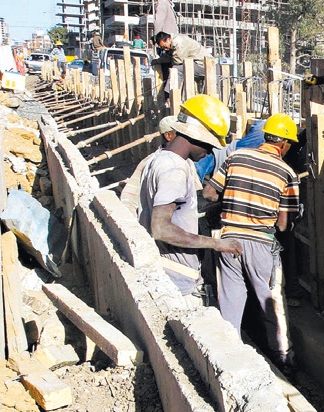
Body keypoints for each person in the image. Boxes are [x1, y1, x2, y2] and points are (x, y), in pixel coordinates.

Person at [202, 113, 301, 370]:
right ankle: (283, 359)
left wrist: (234, 201)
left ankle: (228, 358)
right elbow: (282, 224)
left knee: (231, 299)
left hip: (229, 240)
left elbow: (210, 193)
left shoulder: (235, 157)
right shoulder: (287, 173)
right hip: (261, 243)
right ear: (284, 144)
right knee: (270, 301)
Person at [138, 94, 242, 304]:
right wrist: (216, 243)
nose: (210, 151)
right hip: (175, 279)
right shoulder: (174, 169)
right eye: (208, 144)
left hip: (167, 271)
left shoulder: (158, 159)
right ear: (196, 135)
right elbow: (161, 228)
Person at [120, 115, 179, 216]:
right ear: (168, 136)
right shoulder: (150, 162)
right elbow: (128, 199)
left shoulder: (187, 162)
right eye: (181, 134)